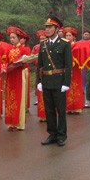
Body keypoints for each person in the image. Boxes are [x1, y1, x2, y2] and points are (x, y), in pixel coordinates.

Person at [37, 14, 72, 147]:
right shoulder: (43, 44)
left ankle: (61, 135)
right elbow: (40, 64)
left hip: (59, 81)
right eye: (46, 27)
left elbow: (68, 65)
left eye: (50, 27)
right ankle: (52, 134)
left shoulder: (64, 44)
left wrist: (66, 83)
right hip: (46, 81)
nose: (47, 30)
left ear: (56, 29)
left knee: (61, 110)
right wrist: (39, 81)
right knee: (49, 109)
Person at [4, 26, 31, 131]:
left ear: (19, 38)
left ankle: (18, 123)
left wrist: (20, 64)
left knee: (18, 97)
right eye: (10, 37)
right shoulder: (9, 49)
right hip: (10, 76)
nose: (11, 39)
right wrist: (5, 68)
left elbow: (27, 64)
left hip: (18, 76)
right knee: (10, 98)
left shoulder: (23, 49)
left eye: (14, 37)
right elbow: (6, 62)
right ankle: (10, 122)